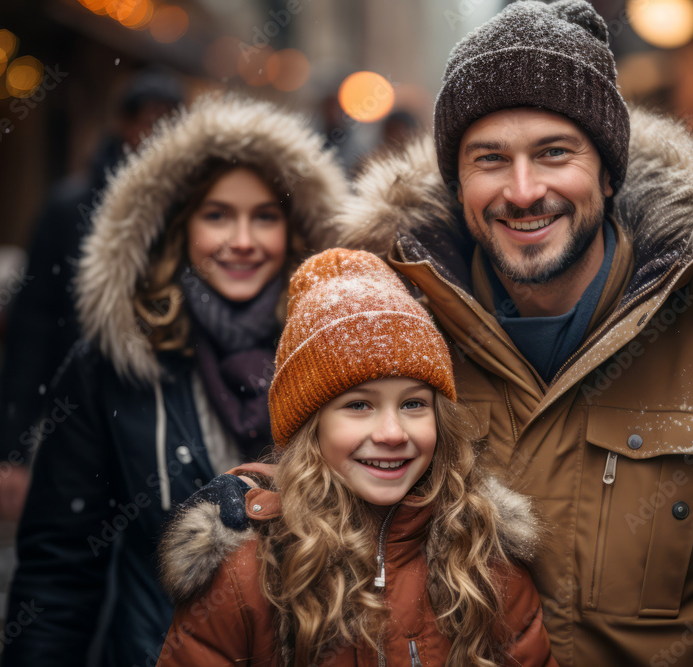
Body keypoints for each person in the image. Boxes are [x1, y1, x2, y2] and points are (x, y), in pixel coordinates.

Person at [327, 1, 693, 665]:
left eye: (554, 152)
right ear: (457, 180)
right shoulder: (390, 336)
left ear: (609, 170)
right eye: (490, 159)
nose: (525, 189)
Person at [2, 94, 348, 667]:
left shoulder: (334, 349)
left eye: (265, 216)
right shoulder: (117, 362)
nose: (242, 240)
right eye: (217, 215)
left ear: (296, 228)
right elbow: (60, 566)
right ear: (178, 225)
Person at [154, 248, 556, 666]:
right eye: (359, 405)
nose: (391, 433)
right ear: (311, 426)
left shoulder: (484, 561)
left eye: (413, 404)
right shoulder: (245, 575)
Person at [0, 68, 185, 521]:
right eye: (149, 121)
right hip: (80, 418)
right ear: (126, 126)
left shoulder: (196, 210)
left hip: (167, 424)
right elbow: (30, 330)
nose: (158, 135)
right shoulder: (70, 209)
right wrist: (9, 449)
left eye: (170, 121)